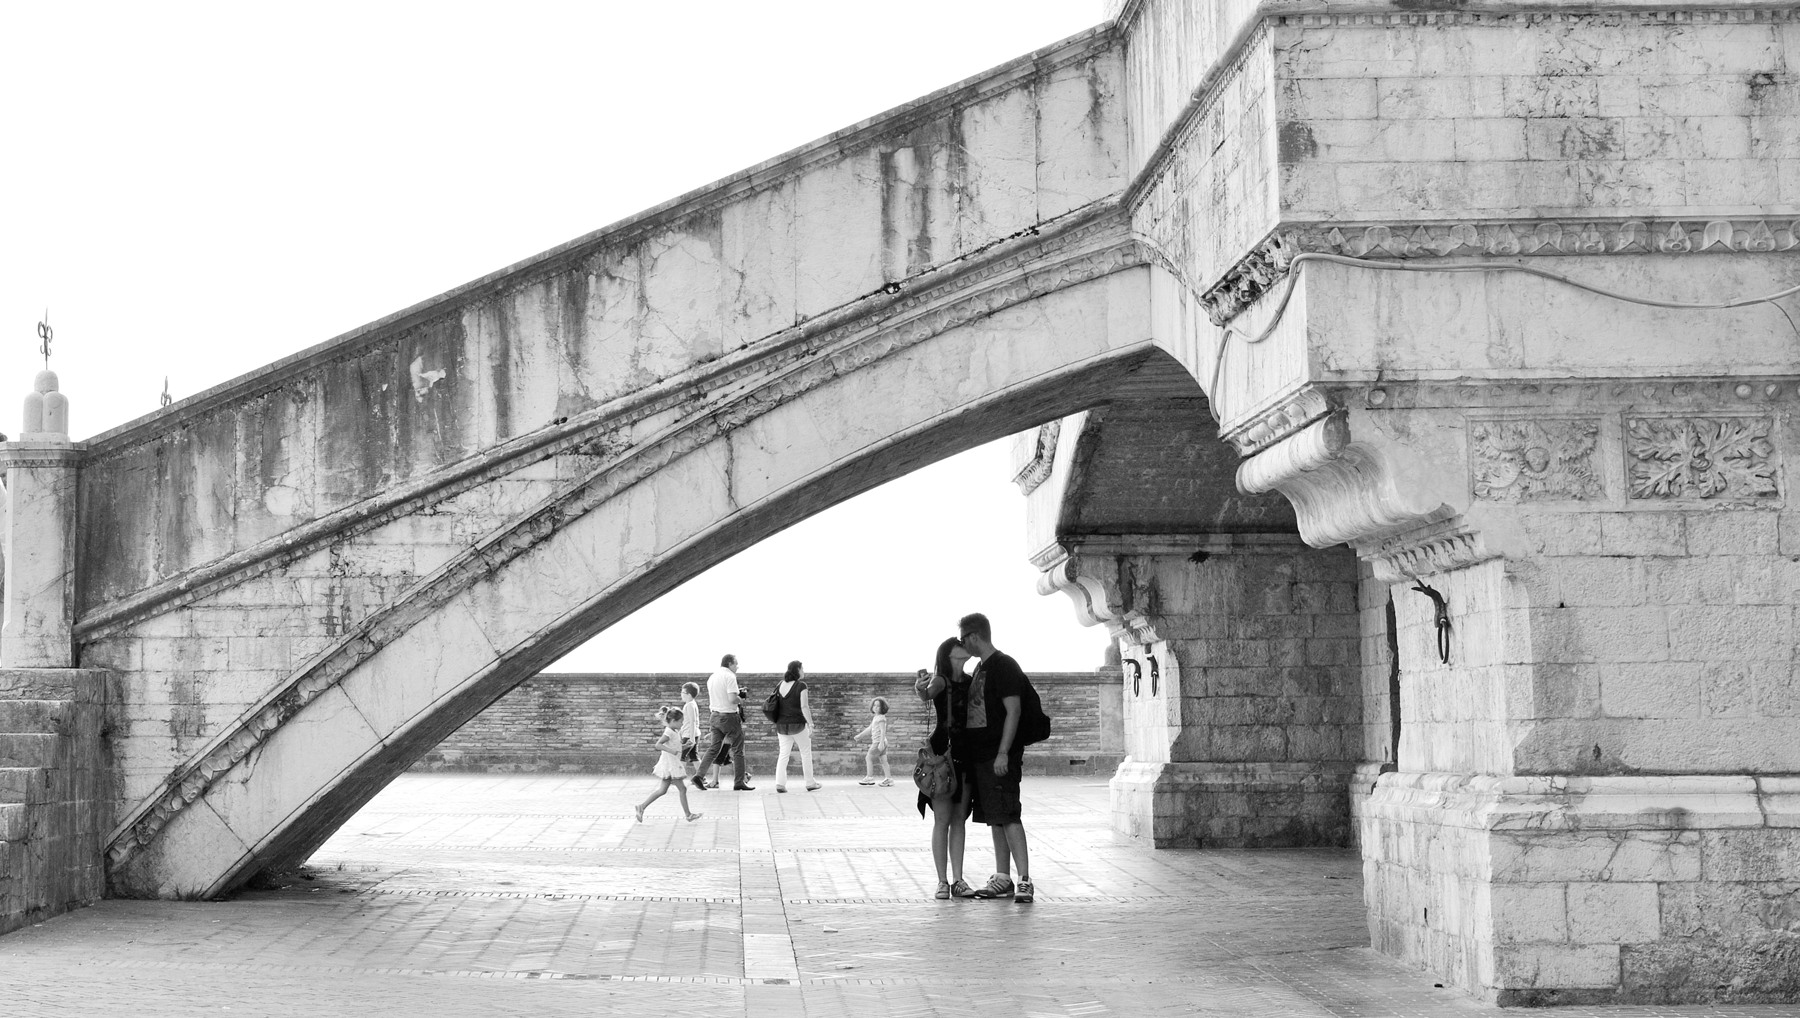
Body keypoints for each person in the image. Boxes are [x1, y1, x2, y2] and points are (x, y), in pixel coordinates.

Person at [958, 612, 1033, 903]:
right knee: (996, 817)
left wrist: (1003, 753)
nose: (962, 643)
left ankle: (1024, 878)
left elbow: (1013, 711)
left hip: (1000, 756)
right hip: (983, 757)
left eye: (964, 638)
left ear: (974, 636)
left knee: (1009, 815)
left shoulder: (1003, 665)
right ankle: (1003, 877)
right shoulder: (980, 668)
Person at [914, 638, 976, 900]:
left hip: (967, 750)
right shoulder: (941, 679)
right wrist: (919, 687)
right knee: (942, 820)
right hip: (943, 750)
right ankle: (942, 880)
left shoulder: (972, 679)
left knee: (959, 819)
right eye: (960, 645)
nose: (966, 647)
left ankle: (958, 879)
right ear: (950, 653)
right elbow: (925, 694)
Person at [695, 654, 754, 791]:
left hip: (714, 716)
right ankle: (739, 781)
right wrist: (741, 699)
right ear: (730, 663)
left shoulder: (712, 677)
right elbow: (732, 699)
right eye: (736, 664)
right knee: (738, 749)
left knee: (714, 748)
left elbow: (721, 695)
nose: (737, 667)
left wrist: (736, 694)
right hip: (729, 717)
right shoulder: (730, 676)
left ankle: (699, 776)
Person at [635, 708, 702, 823]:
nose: (682, 723)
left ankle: (641, 806)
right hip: (670, 764)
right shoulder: (669, 732)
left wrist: (686, 746)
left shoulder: (674, 731)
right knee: (682, 789)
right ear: (673, 721)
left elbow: (677, 747)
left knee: (662, 790)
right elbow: (658, 745)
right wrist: (672, 751)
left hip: (671, 763)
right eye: (681, 721)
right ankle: (688, 815)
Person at [770, 660, 821, 792]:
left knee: (783, 754)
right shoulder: (801, 686)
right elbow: (804, 706)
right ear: (797, 670)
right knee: (805, 753)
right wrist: (811, 724)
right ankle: (810, 783)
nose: (804, 671)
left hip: (782, 726)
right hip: (798, 725)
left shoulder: (780, 684)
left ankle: (780, 784)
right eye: (802, 669)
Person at [854, 697, 893, 786]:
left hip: (878, 742)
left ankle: (869, 777)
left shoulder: (881, 718)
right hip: (880, 742)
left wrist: (881, 743)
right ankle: (889, 779)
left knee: (868, 758)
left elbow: (883, 731)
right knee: (884, 761)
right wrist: (860, 736)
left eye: (878, 706)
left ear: (883, 708)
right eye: (874, 705)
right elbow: (870, 729)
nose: (875, 707)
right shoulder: (876, 717)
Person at [677, 681, 703, 781]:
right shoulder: (691, 704)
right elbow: (688, 722)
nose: (681, 695)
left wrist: (691, 738)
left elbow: (692, 722)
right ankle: (701, 777)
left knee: (681, 755)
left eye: (683, 693)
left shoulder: (689, 705)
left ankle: (678, 777)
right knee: (694, 757)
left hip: (690, 735)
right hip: (693, 734)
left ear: (688, 694)